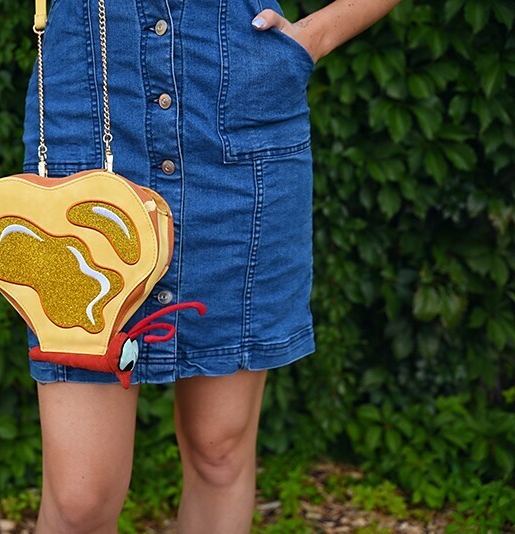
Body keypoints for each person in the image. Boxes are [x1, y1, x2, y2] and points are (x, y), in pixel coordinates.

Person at [20, 0, 401, 531]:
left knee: (218, 451)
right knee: (80, 497)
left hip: (238, 117)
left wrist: (313, 37)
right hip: (91, 111)